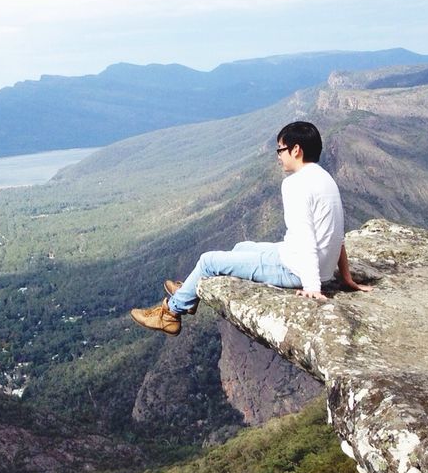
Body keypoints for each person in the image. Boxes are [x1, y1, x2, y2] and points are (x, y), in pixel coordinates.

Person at [131, 121, 371, 335]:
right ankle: (190, 291)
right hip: (311, 262)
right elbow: (338, 236)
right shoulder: (325, 179)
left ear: (296, 150)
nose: (278, 156)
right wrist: (345, 277)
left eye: (280, 150)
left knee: (208, 261)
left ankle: (170, 313)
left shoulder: (295, 184)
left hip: (295, 269)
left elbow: (306, 236)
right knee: (241, 246)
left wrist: (312, 286)